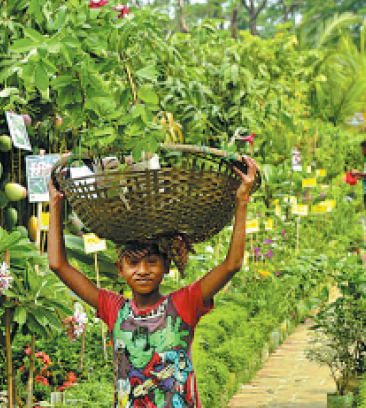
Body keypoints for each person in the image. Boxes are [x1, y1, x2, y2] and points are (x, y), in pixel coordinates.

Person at [47, 156, 259, 408]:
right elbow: (58, 265)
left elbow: (232, 264)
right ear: (121, 270)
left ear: (166, 266)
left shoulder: (184, 303)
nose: (143, 271)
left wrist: (242, 200)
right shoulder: (114, 308)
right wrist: (55, 204)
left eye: (152, 261)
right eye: (133, 263)